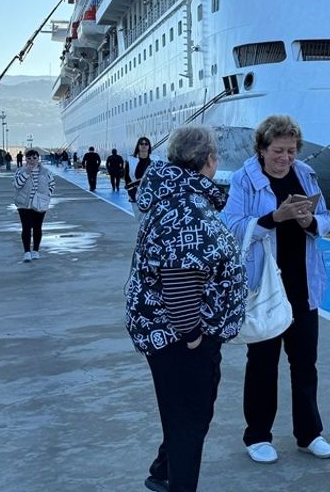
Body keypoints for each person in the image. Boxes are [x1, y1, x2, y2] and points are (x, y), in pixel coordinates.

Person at [125, 125, 245, 492]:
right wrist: (193, 335)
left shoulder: (173, 193)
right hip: (180, 336)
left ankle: (163, 470)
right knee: (191, 418)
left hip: (168, 331)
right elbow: (179, 283)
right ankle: (178, 483)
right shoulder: (188, 208)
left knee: (182, 411)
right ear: (209, 161)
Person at [222, 115, 330, 464]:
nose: (284, 158)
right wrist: (275, 218)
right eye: (277, 150)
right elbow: (231, 226)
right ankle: (257, 435)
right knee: (262, 362)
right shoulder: (244, 180)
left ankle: (310, 434)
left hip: (302, 284)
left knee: (305, 363)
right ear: (261, 148)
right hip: (263, 285)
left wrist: (310, 221)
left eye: (291, 150)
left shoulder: (305, 174)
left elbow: (328, 218)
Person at [13, 148, 55, 263]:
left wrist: (47, 196)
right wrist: (27, 172)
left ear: (38, 158)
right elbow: (17, 184)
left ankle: (35, 250)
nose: (32, 160)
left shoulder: (46, 172)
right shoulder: (20, 171)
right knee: (26, 228)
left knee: (37, 227)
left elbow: (52, 184)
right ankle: (26, 252)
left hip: (40, 204)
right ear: (25, 159)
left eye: (34, 158)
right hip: (24, 205)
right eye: (29, 158)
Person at [127, 136, 154, 203]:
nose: (144, 145)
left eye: (146, 144)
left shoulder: (156, 159)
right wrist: (130, 192)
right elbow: (127, 179)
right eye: (141, 144)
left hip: (152, 194)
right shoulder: (131, 160)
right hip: (135, 193)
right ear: (138, 146)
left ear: (149, 146)